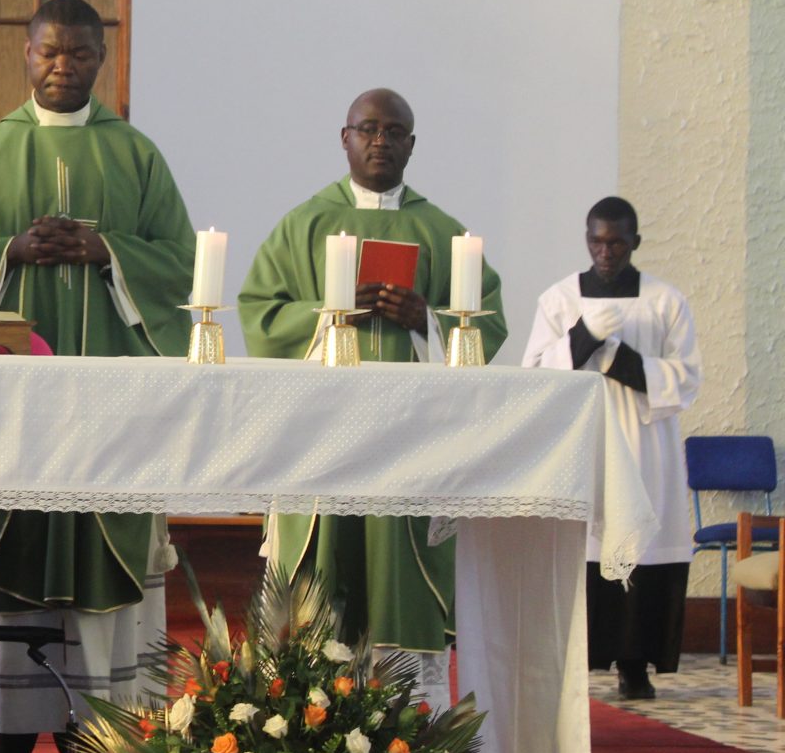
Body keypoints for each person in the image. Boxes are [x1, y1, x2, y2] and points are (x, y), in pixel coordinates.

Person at [0, 0, 195, 753]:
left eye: (78, 54)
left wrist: (110, 251)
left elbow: (181, 265)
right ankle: (8, 736)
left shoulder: (136, 157)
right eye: (49, 53)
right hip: (11, 406)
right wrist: (10, 249)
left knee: (95, 565)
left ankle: (86, 736)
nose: (62, 66)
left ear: (101, 60)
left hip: (109, 410)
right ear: (24, 53)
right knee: (13, 556)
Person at [237, 88, 504, 709]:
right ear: (345, 138)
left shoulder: (443, 232)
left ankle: (406, 723)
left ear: (412, 143)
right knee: (322, 564)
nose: (380, 141)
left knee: (397, 565)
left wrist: (427, 319)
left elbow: (485, 322)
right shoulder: (304, 224)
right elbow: (260, 314)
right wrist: (331, 313)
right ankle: (306, 715)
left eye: (394, 131)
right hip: (320, 440)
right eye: (367, 129)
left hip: (409, 447)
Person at [521, 196, 700, 700]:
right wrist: (581, 337)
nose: (605, 252)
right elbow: (534, 375)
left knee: (640, 549)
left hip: (645, 444)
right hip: (583, 443)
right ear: (587, 240)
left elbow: (687, 377)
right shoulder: (560, 300)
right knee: (583, 549)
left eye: (616, 242)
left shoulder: (666, 301)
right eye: (596, 241)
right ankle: (576, 660)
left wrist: (619, 359)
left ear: (634, 242)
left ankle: (635, 664)